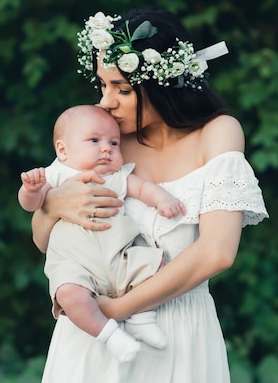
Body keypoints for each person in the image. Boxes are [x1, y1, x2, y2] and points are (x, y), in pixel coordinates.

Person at [32, 6, 269, 383]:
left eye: (122, 90)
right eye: (102, 85)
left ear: (163, 84)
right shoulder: (104, 144)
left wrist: (120, 310)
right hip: (91, 338)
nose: (106, 102)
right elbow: (45, 240)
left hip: (176, 336)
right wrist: (55, 205)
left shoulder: (218, 133)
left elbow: (217, 252)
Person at [19, 104, 186, 363]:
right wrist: (31, 190)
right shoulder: (59, 173)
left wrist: (162, 199)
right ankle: (109, 336)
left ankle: (143, 317)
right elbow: (34, 205)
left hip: (119, 256)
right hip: (77, 263)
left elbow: (141, 188)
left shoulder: (116, 176)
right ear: (63, 150)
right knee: (68, 294)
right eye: (94, 141)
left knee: (158, 265)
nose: (107, 148)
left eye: (114, 143)